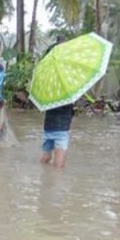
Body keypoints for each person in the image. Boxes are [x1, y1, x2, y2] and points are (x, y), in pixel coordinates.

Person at [40, 35, 72, 168]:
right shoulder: (68, 79)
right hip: (62, 125)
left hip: (48, 124)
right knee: (58, 167)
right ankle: (55, 186)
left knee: (46, 156)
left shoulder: (48, 79)